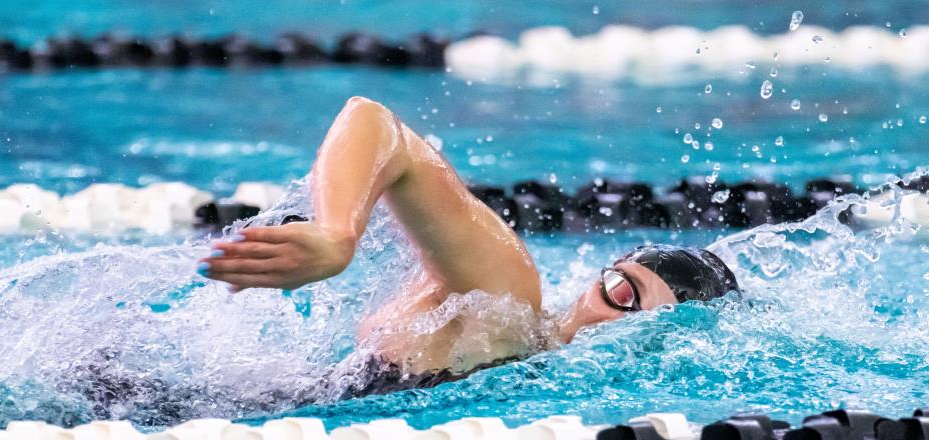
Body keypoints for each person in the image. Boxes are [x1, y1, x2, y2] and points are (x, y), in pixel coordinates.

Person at [197, 96, 739, 398]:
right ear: (600, 278)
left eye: (648, 327)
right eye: (622, 292)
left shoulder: (542, 376)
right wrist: (339, 235)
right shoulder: (504, 298)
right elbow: (374, 121)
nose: (619, 324)